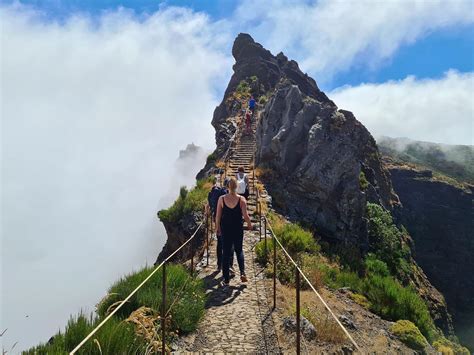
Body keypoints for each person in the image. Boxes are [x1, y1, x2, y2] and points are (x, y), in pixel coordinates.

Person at [215, 177, 252, 287]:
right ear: (237, 187)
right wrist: (249, 224)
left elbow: (218, 216)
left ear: (227, 186)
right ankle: (242, 272)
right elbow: (245, 216)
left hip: (226, 229)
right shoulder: (242, 199)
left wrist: (217, 228)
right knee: (239, 250)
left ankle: (226, 280)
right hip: (237, 228)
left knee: (225, 253)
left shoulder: (221, 199)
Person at [207, 177, 233, 271]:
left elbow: (209, 207)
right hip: (228, 222)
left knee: (220, 243)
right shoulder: (229, 194)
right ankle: (230, 265)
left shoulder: (215, 193)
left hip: (218, 221)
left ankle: (219, 265)